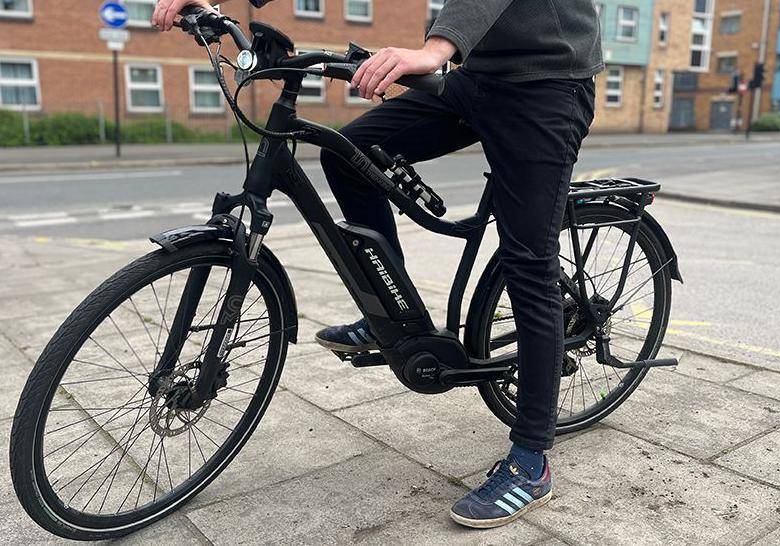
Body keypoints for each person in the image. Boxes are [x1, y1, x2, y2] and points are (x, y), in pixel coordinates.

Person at [154, 0, 602, 529]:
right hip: (475, 76)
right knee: (351, 150)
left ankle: (531, 461)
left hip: (547, 83)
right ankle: (392, 311)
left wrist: (435, 49)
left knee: (529, 262)